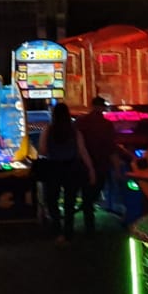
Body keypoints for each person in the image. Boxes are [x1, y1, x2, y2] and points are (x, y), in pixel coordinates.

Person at [38, 103, 95, 244]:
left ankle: (57, 229)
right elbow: (83, 151)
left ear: (54, 115)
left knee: (52, 200)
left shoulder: (48, 129)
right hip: (72, 168)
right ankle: (68, 233)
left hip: (53, 168)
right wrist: (91, 169)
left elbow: (43, 150)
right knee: (70, 202)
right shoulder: (75, 131)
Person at [75, 97, 119, 235]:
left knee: (86, 194)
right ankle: (90, 225)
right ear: (103, 107)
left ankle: (89, 226)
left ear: (91, 105)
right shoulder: (107, 125)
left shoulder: (80, 122)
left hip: (83, 164)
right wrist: (117, 167)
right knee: (93, 194)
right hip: (101, 165)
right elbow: (111, 148)